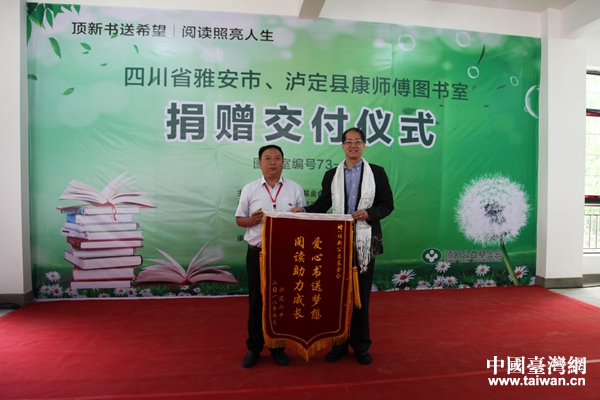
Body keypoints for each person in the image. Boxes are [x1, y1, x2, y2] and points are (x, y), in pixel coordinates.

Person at [291, 127, 394, 365]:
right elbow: (323, 204)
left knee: (361, 296)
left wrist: (369, 213)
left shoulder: (377, 173)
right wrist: (303, 210)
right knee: (336, 295)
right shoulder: (331, 175)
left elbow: (387, 205)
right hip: (336, 242)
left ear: (364, 145)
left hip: (365, 242)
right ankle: (338, 344)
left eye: (357, 141)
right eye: (349, 141)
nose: (353, 145)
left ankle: (360, 345)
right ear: (342, 146)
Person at [235, 144, 306, 368]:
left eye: (277, 158)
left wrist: (301, 213)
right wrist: (251, 221)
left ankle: (277, 347)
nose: (272, 162)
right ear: (260, 163)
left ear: (283, 162)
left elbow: (304, 219)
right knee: (256, 301)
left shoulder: (295, 189)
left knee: (281, 301)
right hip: (257, 254)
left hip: (285, 255)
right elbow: (239, 220)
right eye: (267, 158)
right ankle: (254, 347)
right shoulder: (250, 189)